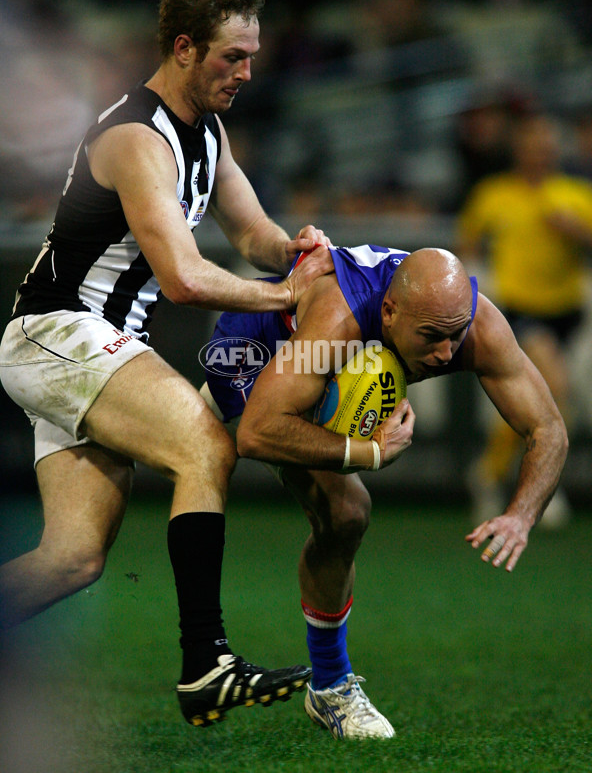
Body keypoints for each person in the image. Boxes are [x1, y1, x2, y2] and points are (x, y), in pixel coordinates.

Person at [0, 0, 335, 728]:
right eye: (231, 57)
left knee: (72, 559)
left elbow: (251, 234)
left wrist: (296, 252)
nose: (247, 72)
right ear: (183, 48)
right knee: (204, 446)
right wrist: (287, 298)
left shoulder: (207, 133)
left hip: (84, 344)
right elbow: (183, 277)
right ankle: (206, 663)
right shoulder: (132, 136)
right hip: (59, 333)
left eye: (252, 55)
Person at [198, 244, 568, 739]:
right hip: (270, 349)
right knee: (344, 508)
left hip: (343, 363)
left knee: (346, 517)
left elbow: (548, 429)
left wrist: (521, 516)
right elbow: (259, 432)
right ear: (389, 313)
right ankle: (319, 684)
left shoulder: (475, 327)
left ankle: (327, 688)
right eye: (433, 337)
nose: (445, 354)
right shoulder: (338, 321)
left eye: (455, 336)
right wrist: (369, 452)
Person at [458, 111, 592, 526]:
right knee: (554, 387)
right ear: (519, 151)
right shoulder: (493, 194)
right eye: (532, 145)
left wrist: (576, 233)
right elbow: (465, 246)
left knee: (553, 403)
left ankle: (489, 473)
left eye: (547, 146)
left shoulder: (574, 194)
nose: (541, 153)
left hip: (567, 310)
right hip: (521, 309)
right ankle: (541, 489)